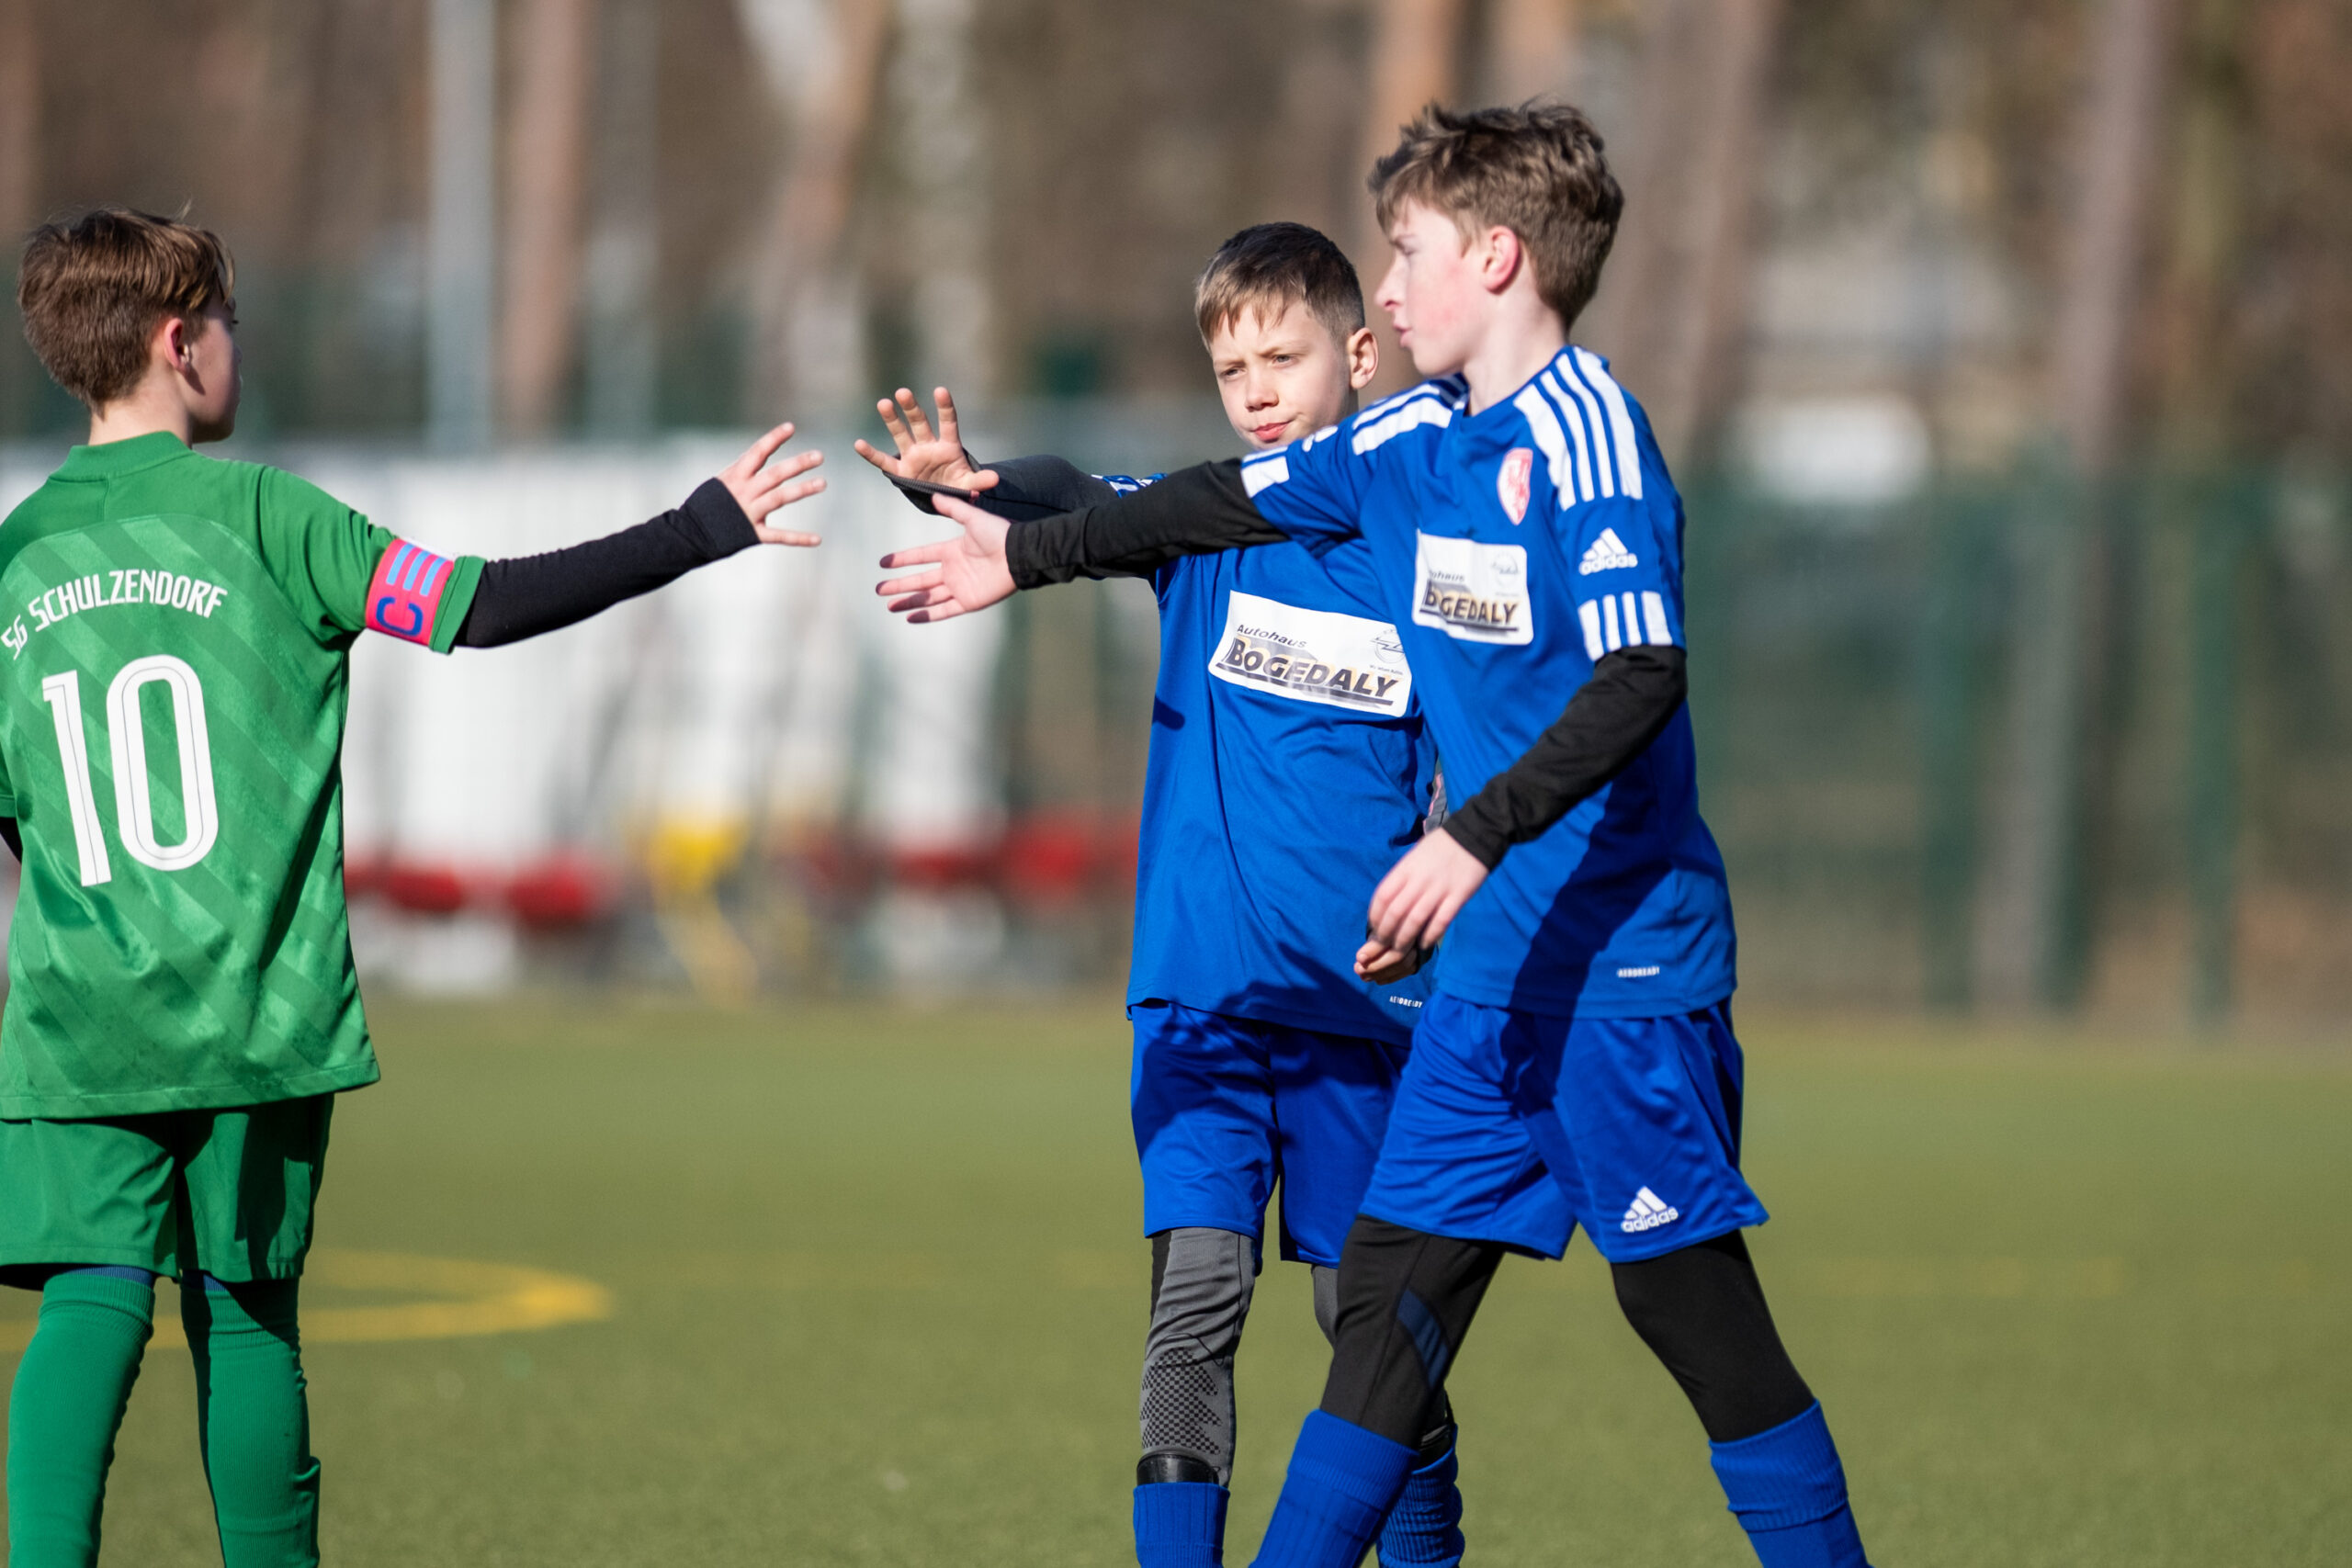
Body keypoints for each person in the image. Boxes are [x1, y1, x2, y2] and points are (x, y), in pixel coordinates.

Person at [875, 104, 1874, 1568]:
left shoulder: (1589, 439)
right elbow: (1202, 501)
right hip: (1480, 992)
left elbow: (1641, 674)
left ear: (1498, 257)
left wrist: (1472, 836)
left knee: (1691, 1317)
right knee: (1379, 1343)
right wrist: (1022, 552)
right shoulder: (1406, 437)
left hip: (1621, 975)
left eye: (1408, 255)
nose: (1390, 291)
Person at [0, 207, 826, 1568]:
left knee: (90, 1307)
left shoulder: (18, 555)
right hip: (250, 1011)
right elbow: (482, 605)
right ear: (178, 342)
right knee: (246, 1314)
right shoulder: (267, 517)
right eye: (229, 320)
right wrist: (699, 527)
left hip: (78, 1013)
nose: (240, 343)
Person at [857, 221, 1469, 1568]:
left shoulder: (1427, 560)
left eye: (1284, 358)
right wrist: (973, 482)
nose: (1257, 389)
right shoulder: (1198, 527)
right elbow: (1080, 494)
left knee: (1370, 1336)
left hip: (1362, 1013)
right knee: (1195, 1302)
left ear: (1361, 356)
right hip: (1199, 998)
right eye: (1231, 367)